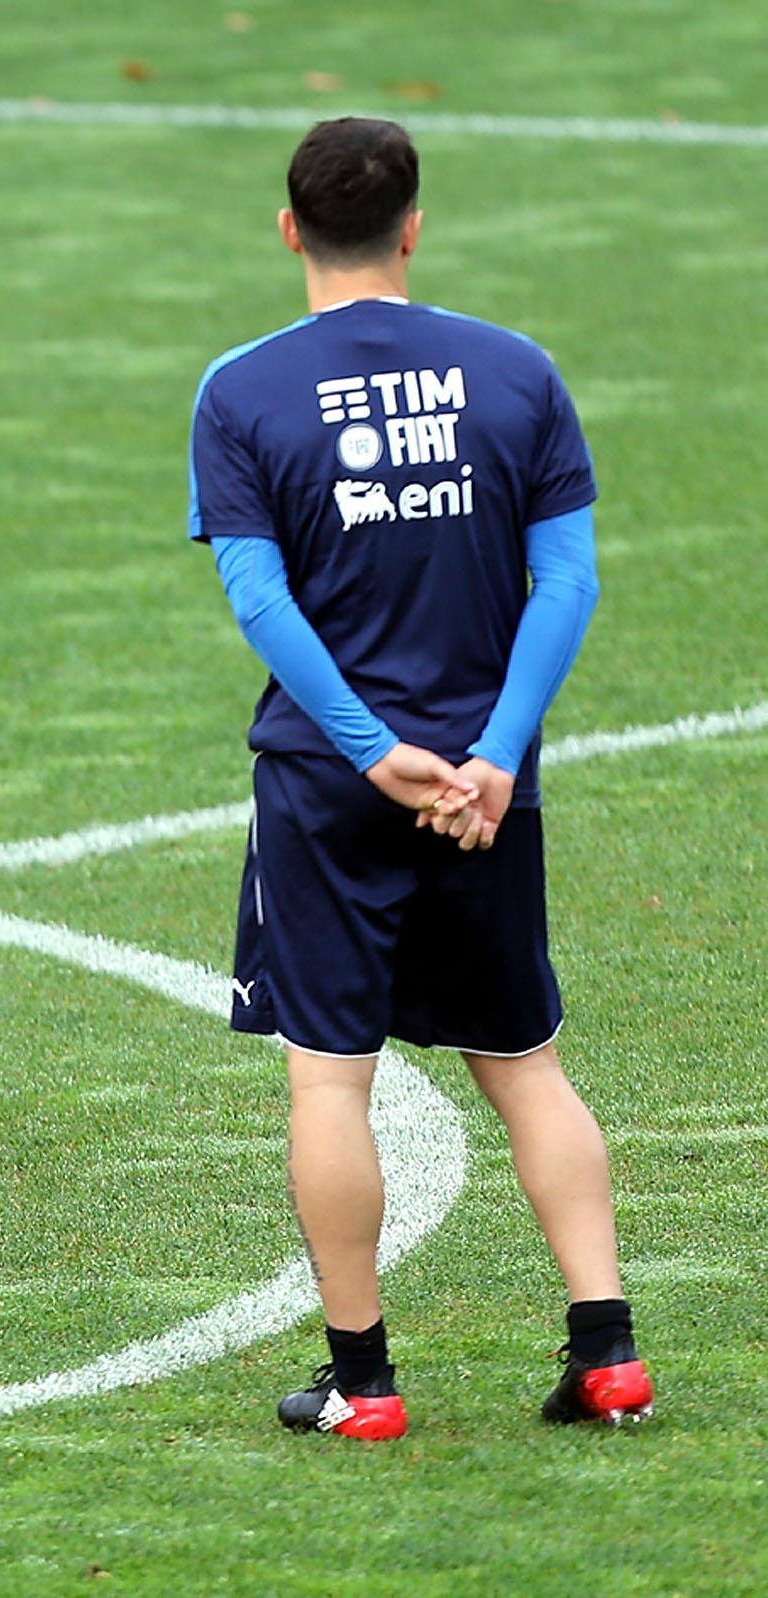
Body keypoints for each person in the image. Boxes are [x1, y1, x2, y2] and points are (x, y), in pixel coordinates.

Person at [187, 116, 648, 1440]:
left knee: (327, 1075)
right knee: (524, 1061)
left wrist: (366, 748)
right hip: (486, 790)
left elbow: (257, 596)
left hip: (332, 786)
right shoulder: (514, 372)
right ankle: (606, 1352)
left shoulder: (241, 388)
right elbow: (565, 580)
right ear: (411, 224)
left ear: (288, 230)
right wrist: (492, 750)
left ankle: (363, 1379)